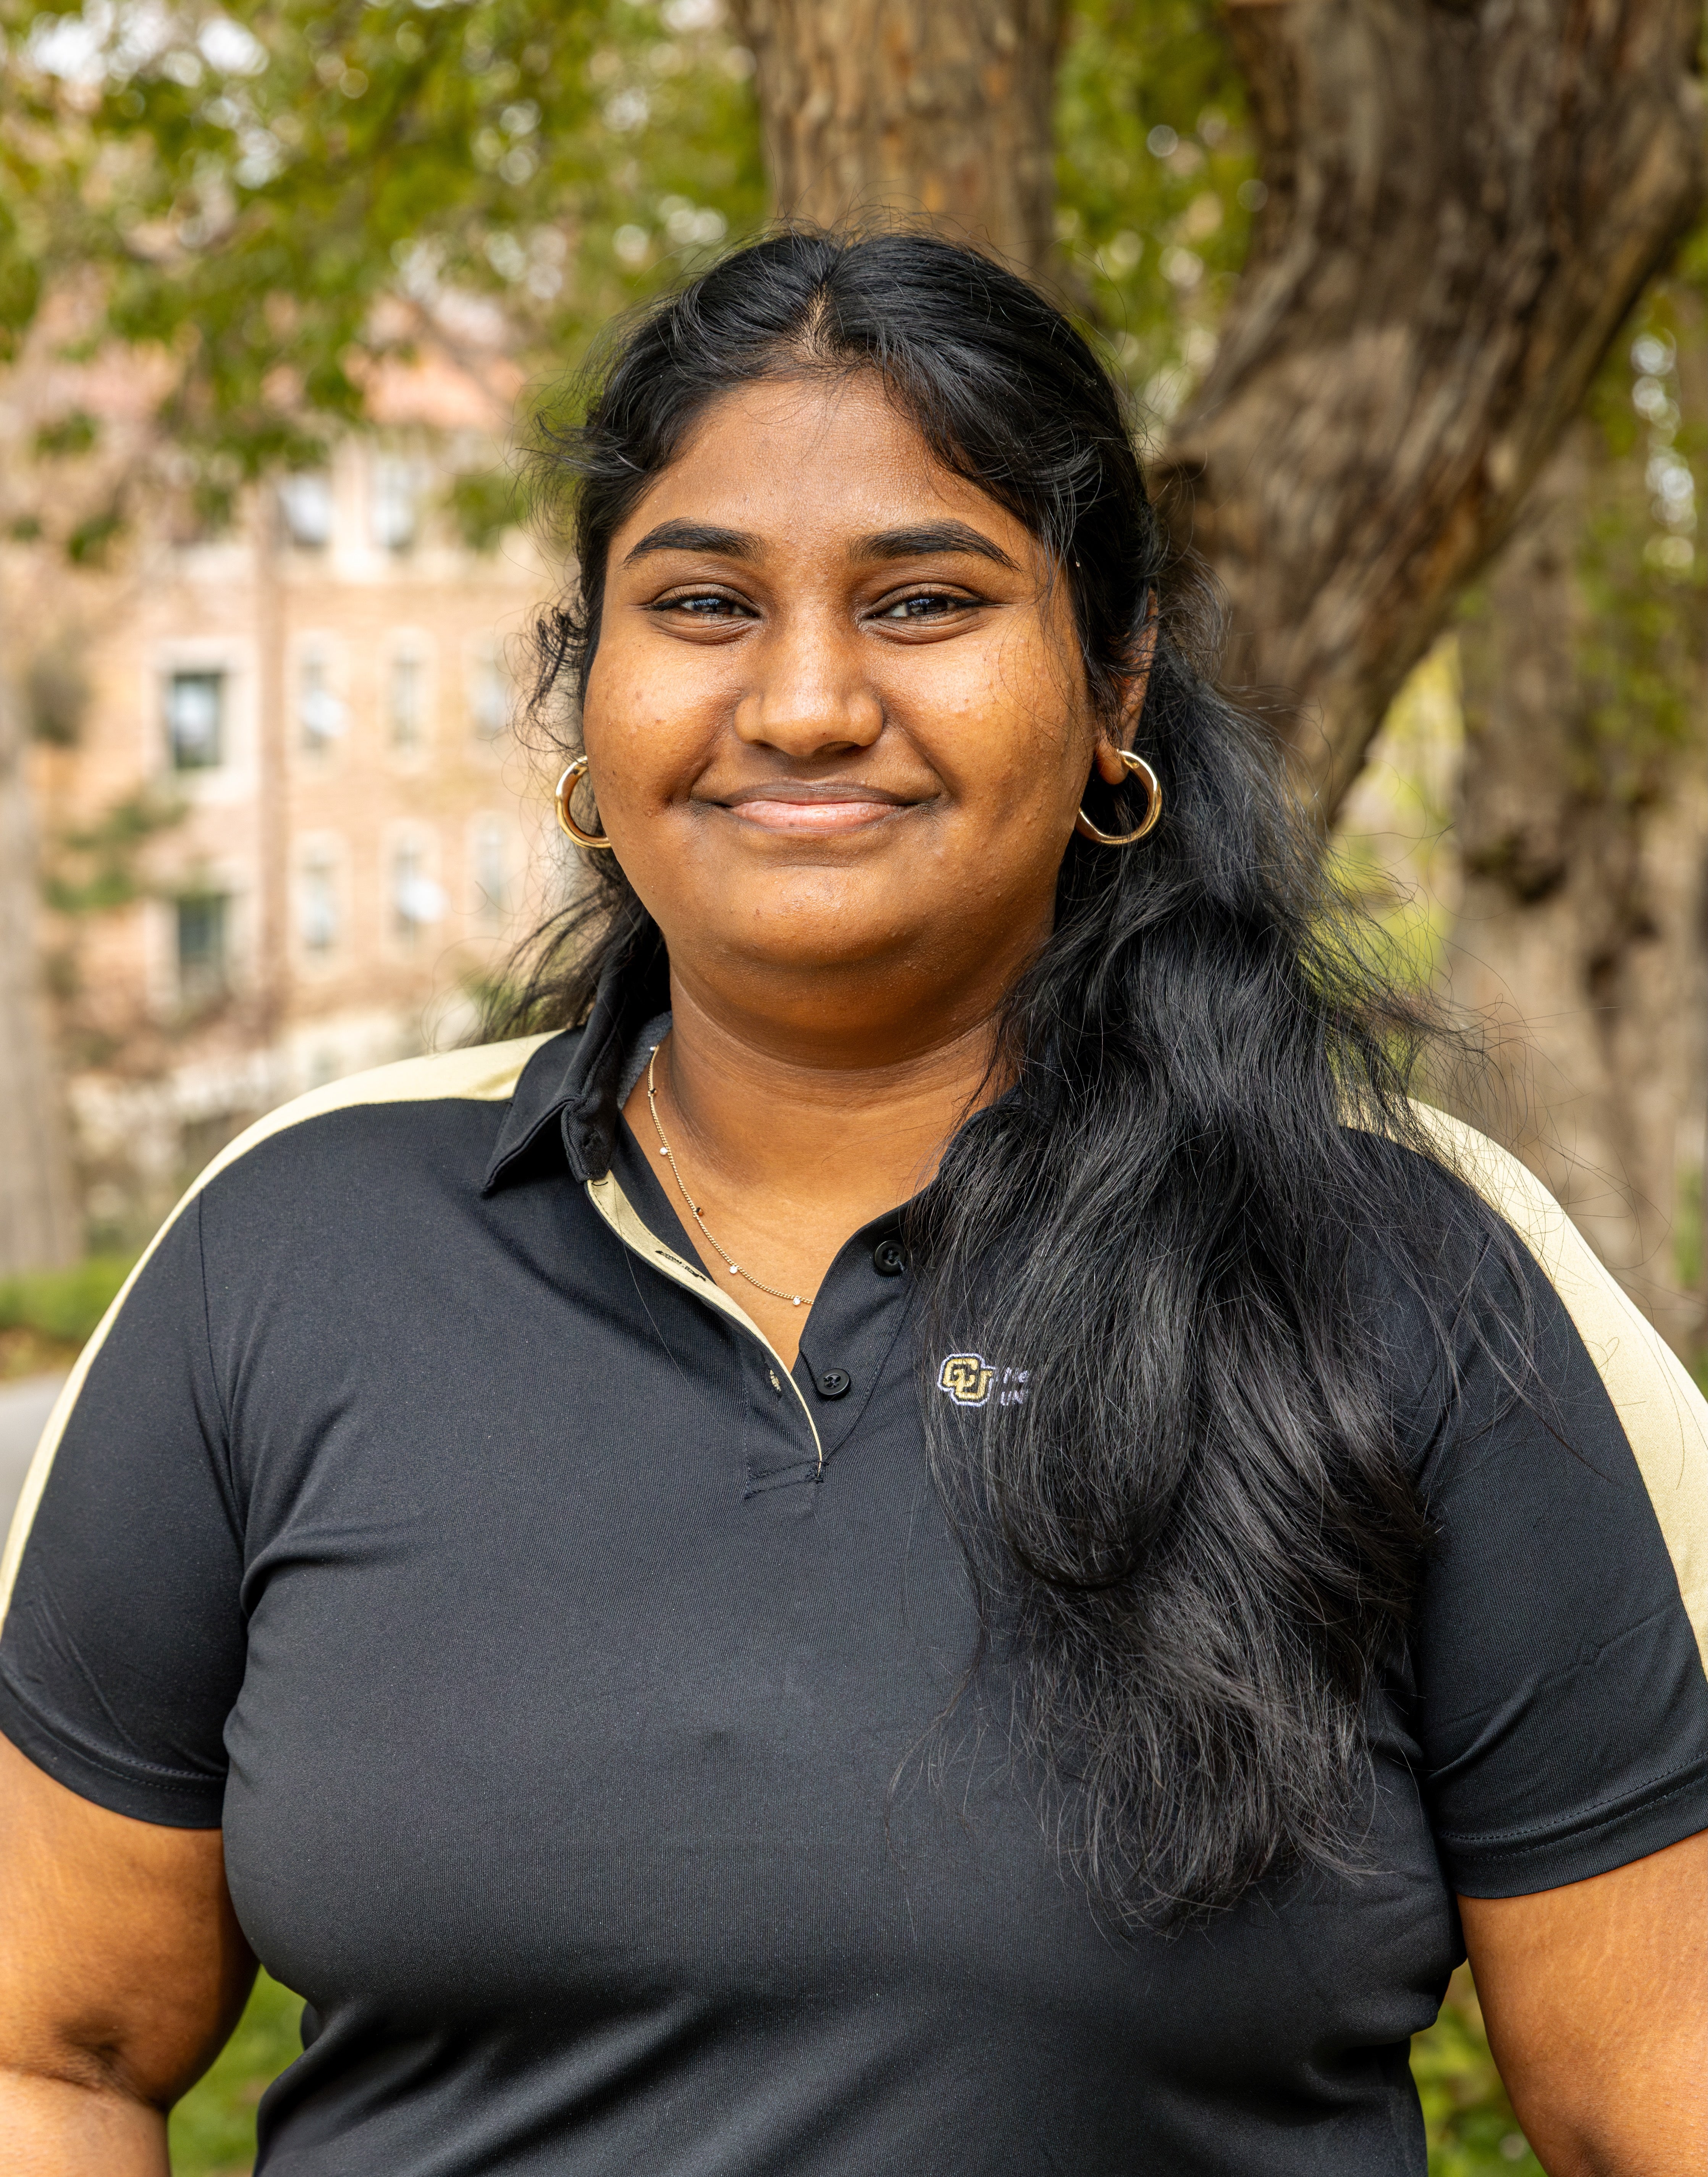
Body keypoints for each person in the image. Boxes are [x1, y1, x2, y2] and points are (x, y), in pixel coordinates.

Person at [0, 231, 1703, 2177]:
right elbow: (50, 2047)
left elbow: (1659, 2100)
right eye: (706, 602)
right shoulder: (290, 1255)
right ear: (589, 690)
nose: (805, 703)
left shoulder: (1407, 1274)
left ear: (1114, 678)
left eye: (925, 598)